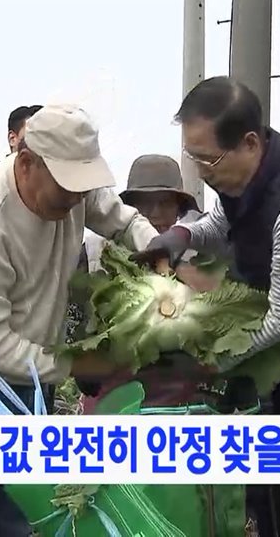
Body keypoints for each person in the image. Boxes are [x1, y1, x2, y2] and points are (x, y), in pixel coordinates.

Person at [135, 77, 280, 537]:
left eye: (208, 158)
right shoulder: (245, 177)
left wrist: (208, 360)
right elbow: (222, 220)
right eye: (192, 156)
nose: (200, 170)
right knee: (274, 495)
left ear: (249, 143)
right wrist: (182, 235)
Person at [0, 104, 159, 536]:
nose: (74, 202)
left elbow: (121, 219)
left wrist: (161, 251)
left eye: (80, 191)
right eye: (64, 190)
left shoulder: (74, 187)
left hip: (33, 368)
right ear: (26, 163)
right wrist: (77, 364)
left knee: (23, 504)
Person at [76, 153, 220, 412]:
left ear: (179, 209)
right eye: (144, 205)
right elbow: (74, 325)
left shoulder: (197, 258)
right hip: (112, 393)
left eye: (164, 203)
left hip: (180, 396)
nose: (155, 214)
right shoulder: (95, 252)